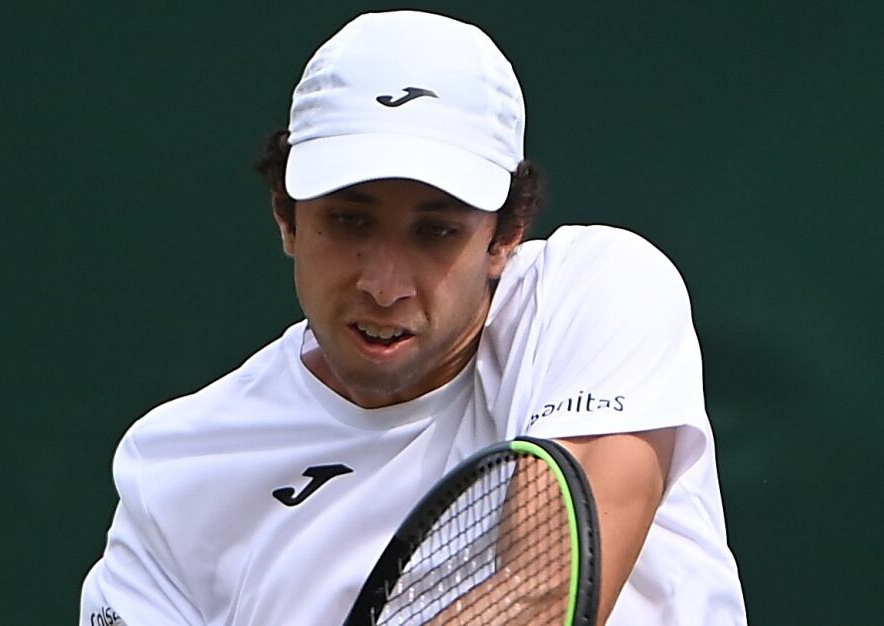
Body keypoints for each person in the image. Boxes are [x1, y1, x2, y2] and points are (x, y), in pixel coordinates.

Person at [80, 10, 747, 625]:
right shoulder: (175, 471)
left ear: (505, 235)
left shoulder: (597, 292)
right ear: (287, 216)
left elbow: (547, 585)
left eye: (435, 232)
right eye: (349, 221)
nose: (384, 284)